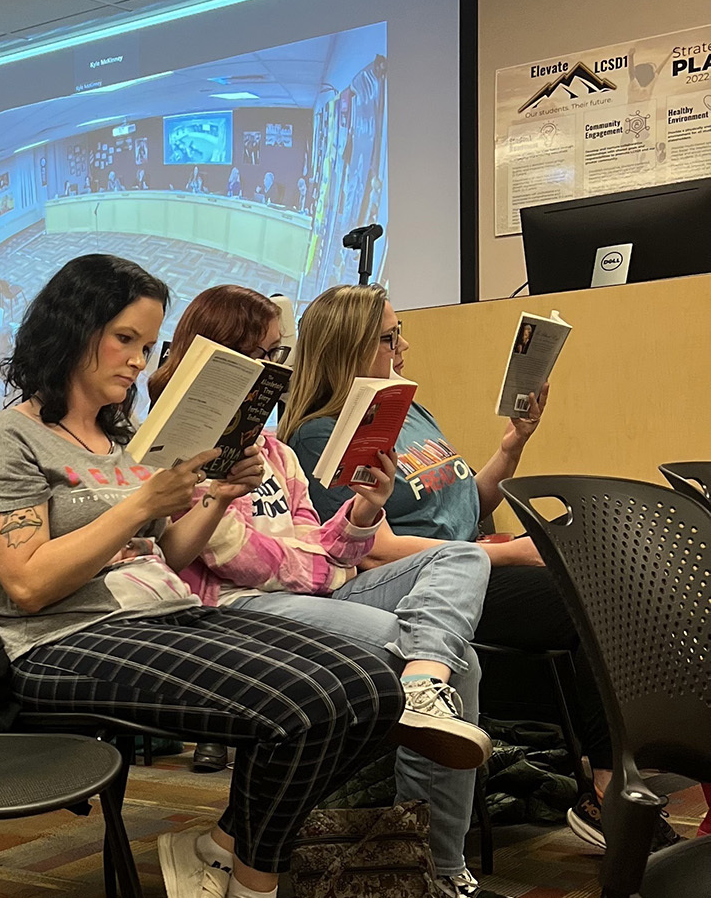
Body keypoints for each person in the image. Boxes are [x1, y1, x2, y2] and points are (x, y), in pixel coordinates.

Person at [0, 255, 404, 898]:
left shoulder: (123, 438)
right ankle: (252, 882)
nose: (139, 360)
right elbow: (26, 583)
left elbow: (172, 550)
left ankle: (223, 847)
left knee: (375, 685)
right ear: (73, 332)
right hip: (57, 637)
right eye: (124, 339)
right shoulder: (7, 438)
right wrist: (140, 502)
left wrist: (215, 495)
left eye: (148, 344)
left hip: (161, 610)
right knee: (303, 704)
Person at [279, 284, 680, 853]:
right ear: (350, 345)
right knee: (588, 600)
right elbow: (374, 549)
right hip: (426, 587)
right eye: (391, 336)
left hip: (473, 562)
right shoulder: (326, 433)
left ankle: (623, 772)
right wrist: (510, 554)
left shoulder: (408, 410)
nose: (405, 345)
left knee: (615, 578)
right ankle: (607, 791)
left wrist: (513, 445)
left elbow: (467, 503)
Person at [149, 285, 500, 898]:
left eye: (274, 354)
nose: (271, 371)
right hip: (237, 611)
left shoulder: (277, 451)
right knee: (457, 661)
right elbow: (233, 557)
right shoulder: (182, 450)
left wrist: (365, 510)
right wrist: (323, 563)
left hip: (312, 598)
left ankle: (437, 853)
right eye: (257, 354)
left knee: (466, 556)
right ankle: (437, 868)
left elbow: (324, 542)